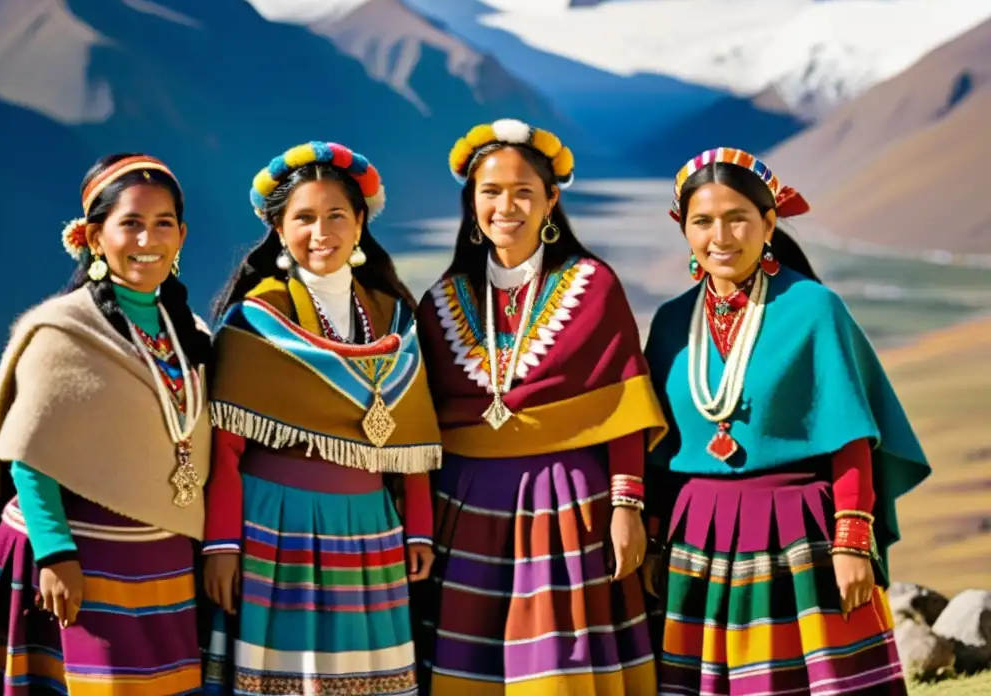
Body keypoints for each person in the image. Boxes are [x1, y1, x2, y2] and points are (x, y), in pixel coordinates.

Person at [642, 147, 932, 695]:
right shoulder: (670, 322)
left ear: (768, 222)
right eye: (702, 221)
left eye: (738, 219)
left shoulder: (814, 308)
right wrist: (656, 544)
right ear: (683, 228)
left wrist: (851, 542)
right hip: (695, 539)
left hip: (798, 531)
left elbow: (850, 436)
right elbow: (658, 452)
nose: (720, 237)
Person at [414, 119, 669, 695]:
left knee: (560, 662)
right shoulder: (441, 299)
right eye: (491, 192)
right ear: (471, 202)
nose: (507, 206)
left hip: (567, 505)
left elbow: (622, 401)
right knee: (475, 659)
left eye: (524, 191)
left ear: (551, 199)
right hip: (467, 504)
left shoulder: (593, 285)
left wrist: (626, 507)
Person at [202, 141, 443, 695]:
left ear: (360, 224)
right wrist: (222, 546)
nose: (321, 232)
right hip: (277, 525)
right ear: (279, 231)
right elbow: (226, 449)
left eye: (336, 215)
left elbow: (407, 433)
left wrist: (420, 527)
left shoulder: (393, 316)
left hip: (371, 526)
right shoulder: (256, 321)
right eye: (303, 218)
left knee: (369, 677)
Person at [0, 154, 211, 694]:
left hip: (159, 559)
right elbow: (30, 453)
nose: (148, 238)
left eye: (163, 223)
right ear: (94, 237)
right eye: (130, 223)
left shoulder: (188, 332)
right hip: (76, 561)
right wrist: (55, 556)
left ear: (182, 235)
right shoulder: (63, 330)